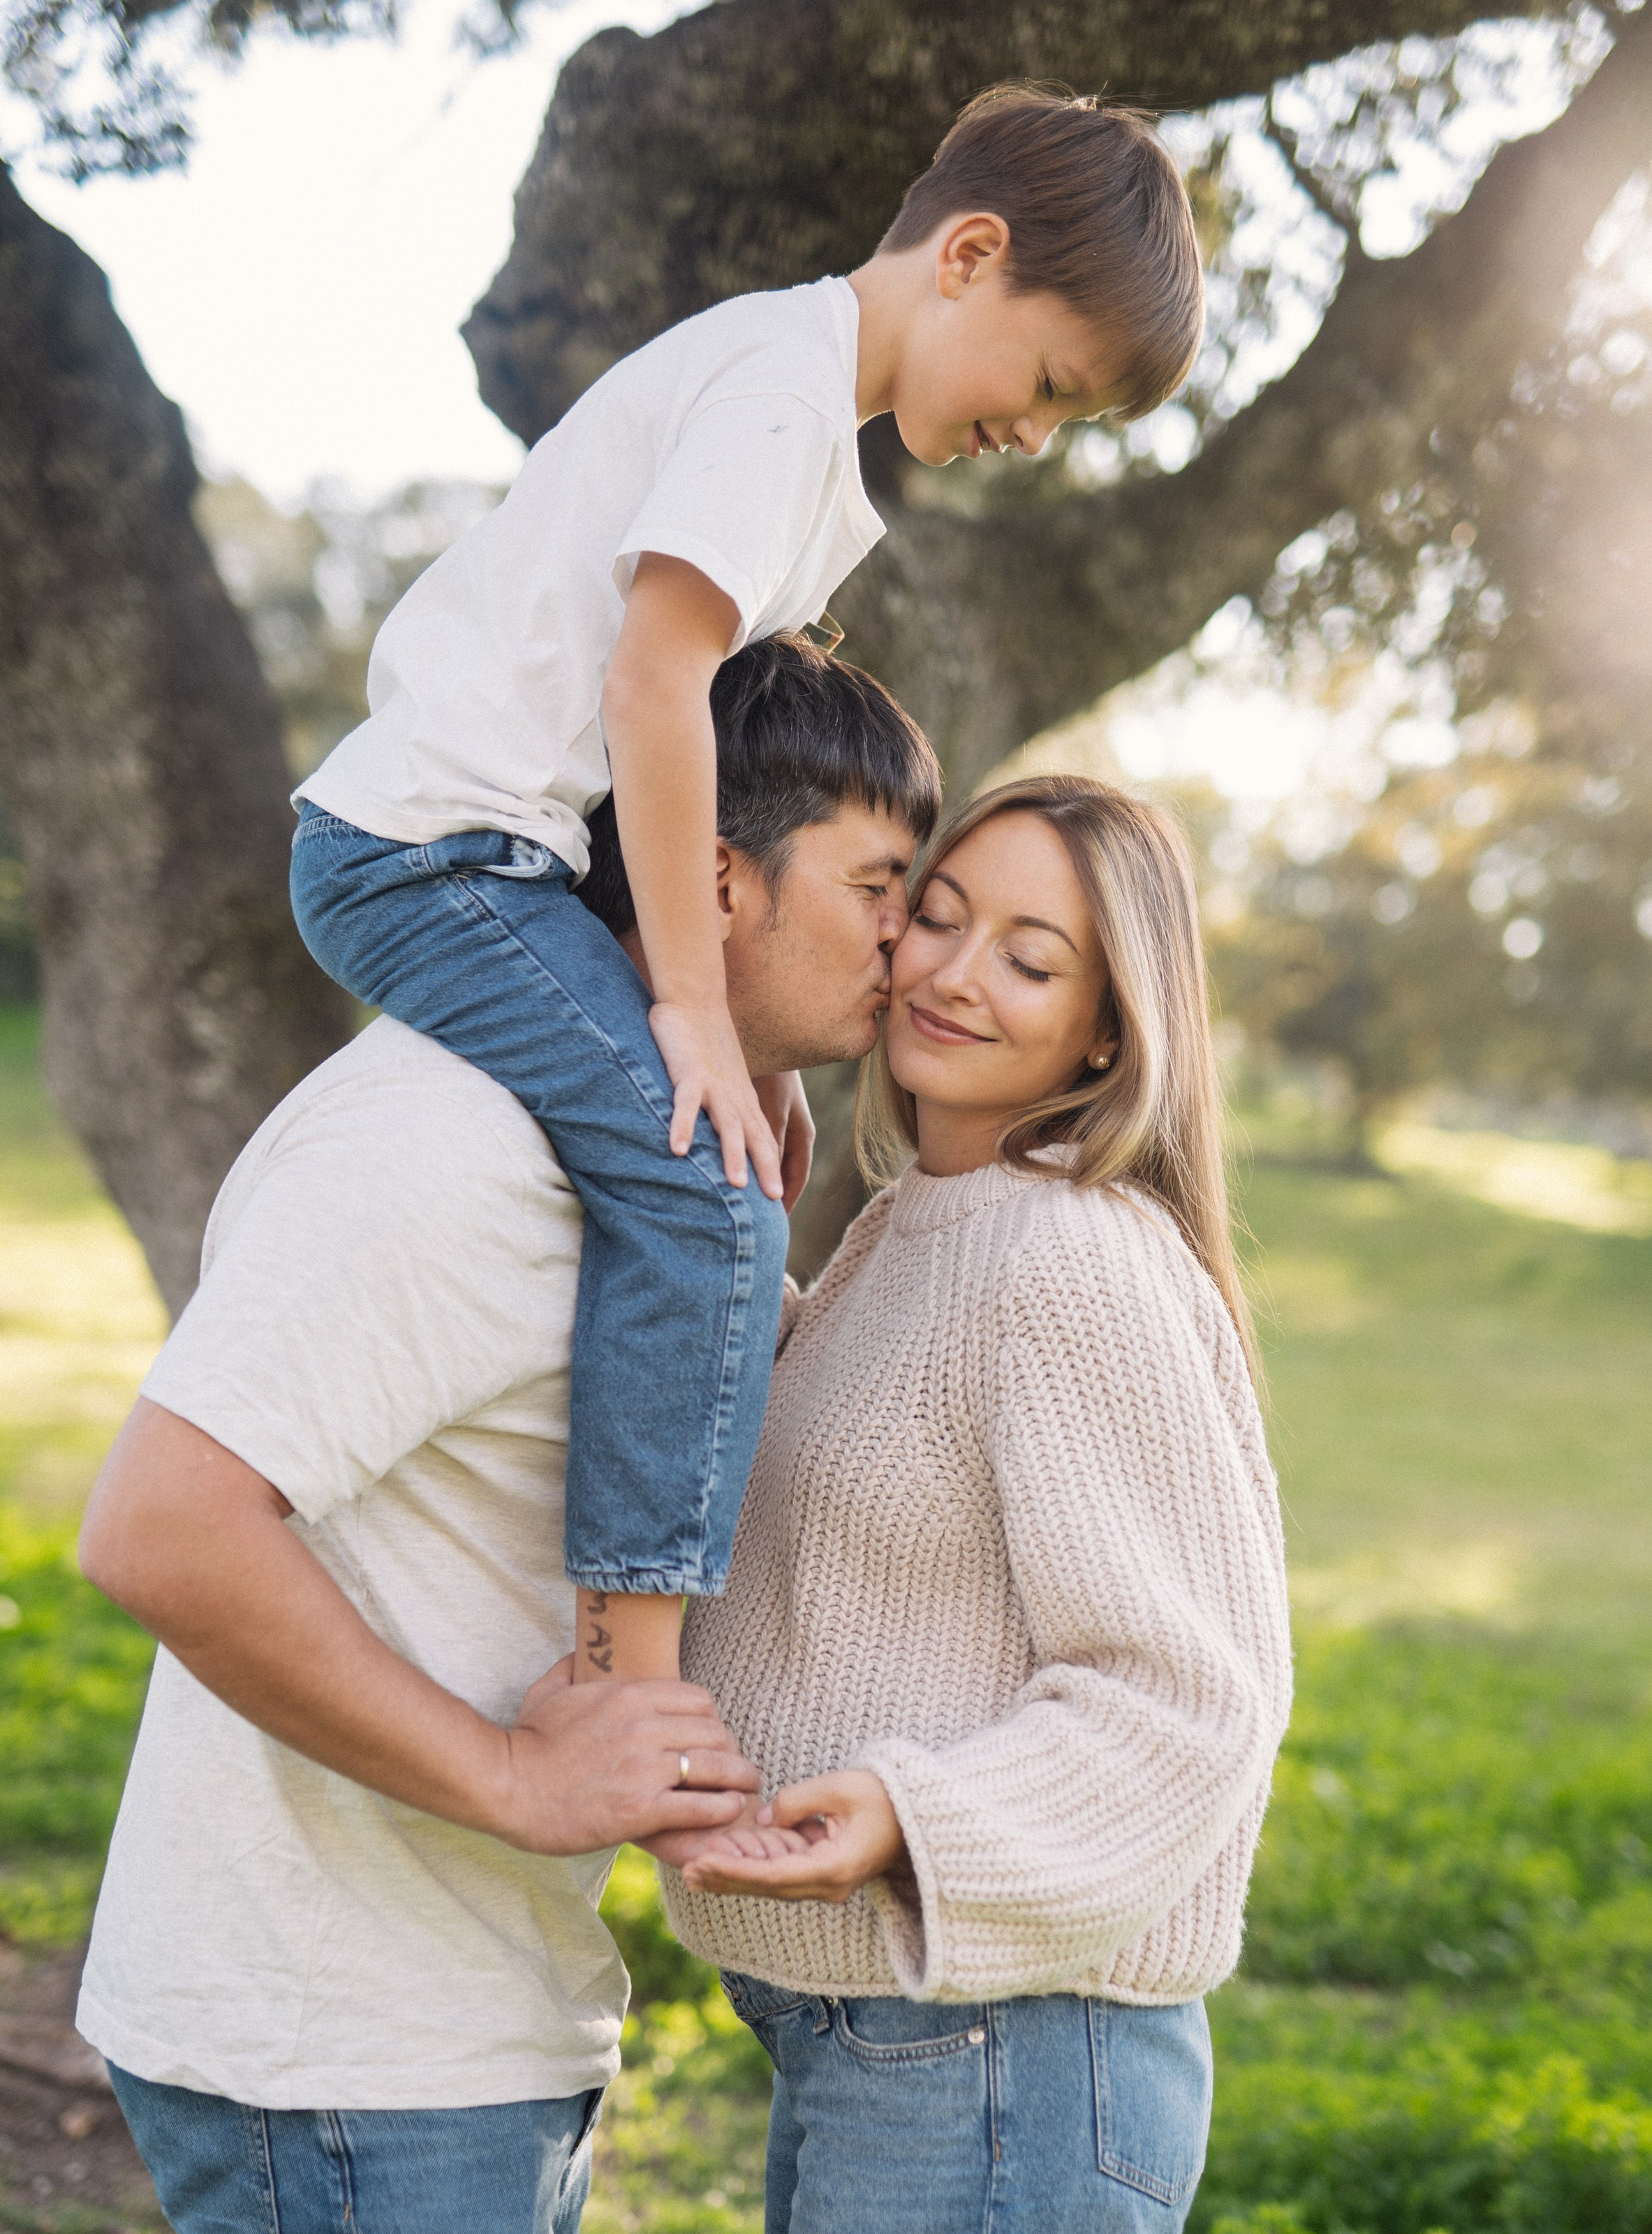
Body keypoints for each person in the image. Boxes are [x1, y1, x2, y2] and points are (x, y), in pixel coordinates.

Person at [287, 88, 1205, 1694]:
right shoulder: (777, 400)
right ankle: (635, 1680)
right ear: (968, 257)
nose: (1031, 437)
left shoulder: (796, 417)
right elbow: (656, 690)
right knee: (703, 1190)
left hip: (493, 854)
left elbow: (712, 730)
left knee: (721, 1151)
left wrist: (753, 1050)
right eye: (1047, 384)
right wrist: (695, 1021)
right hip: (427, 855)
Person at [73, 638, 942, 2234]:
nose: (913, 938)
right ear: (713, 877)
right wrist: (509, 1778)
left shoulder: (654, 1171)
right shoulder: (451, 1139)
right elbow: (161, 1527)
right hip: (344, 2055)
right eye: (880, 881)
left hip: (458, 2020)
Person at [661, 775, 1294, 2233]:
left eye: (1028, 956)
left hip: (1003, 2053)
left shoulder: (1066, 1258)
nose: (951, 971)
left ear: (1109, 1026)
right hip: (884, 2036)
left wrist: (905, 1810)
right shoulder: (917, 1225)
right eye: (934, 917)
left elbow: (1187, 1696)